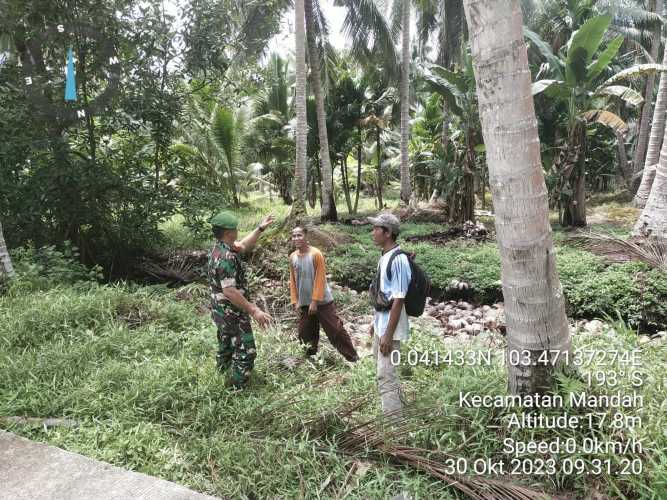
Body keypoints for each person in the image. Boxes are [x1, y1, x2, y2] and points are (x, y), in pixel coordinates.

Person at [207, 211, 274, 389]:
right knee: (246, 352)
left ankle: (220, 377)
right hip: (231, 313)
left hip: (220, 312)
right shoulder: (225, 258)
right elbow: (230, 291)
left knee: (226, 346)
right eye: (235, 228)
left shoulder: (220, 248)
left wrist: (260, 229)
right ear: (229, 232)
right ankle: (236, 390)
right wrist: (254, 310)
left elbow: (243, 245)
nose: (237, 230)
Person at [289, 225, 359, 362]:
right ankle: (310, 360)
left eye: (299, 235)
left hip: (323, 302)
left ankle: (353, 357)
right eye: (294, 236)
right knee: (305, 333)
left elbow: (320, 278)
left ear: (306, 237)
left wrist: (315, 301)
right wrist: (295, 301)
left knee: (336, 330)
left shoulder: (316, 254)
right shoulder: (292, 257)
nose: (296, 238)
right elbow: (293, 280)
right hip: (304, 302)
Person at [368, 213, 411, 416]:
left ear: (387, 233)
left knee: (385, 375)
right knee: (385, 373)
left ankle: (395, 429)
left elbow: (398, 299)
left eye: (376, 229)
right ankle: (399, 409)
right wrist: (374, 323)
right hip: (381, 324)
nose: (373, 233)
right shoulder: (384, 256)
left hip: (390, 330)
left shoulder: (398, 260)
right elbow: (382, 294)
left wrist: (387, 334)